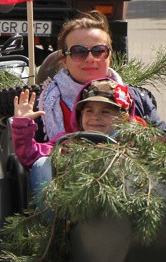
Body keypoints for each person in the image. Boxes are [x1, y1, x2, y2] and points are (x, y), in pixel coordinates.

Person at [37, 11, 166, 141]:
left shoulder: (136, 99)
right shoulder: (41, 105)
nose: (90, 58)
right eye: (79, 51)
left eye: (99, 51)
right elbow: (28, 155)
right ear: (64, 60)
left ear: (110, 57)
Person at [12, 78, 143, 205]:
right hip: (73, 217)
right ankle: (51, 223)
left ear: (124, 118)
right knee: (42, 164)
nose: (95, 117)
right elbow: (31, 155)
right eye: (89, 111)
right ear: (80, 116)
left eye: (105, 112)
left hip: (123, 216)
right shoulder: (68, 143)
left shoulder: (135, 144)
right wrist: (22, 124)